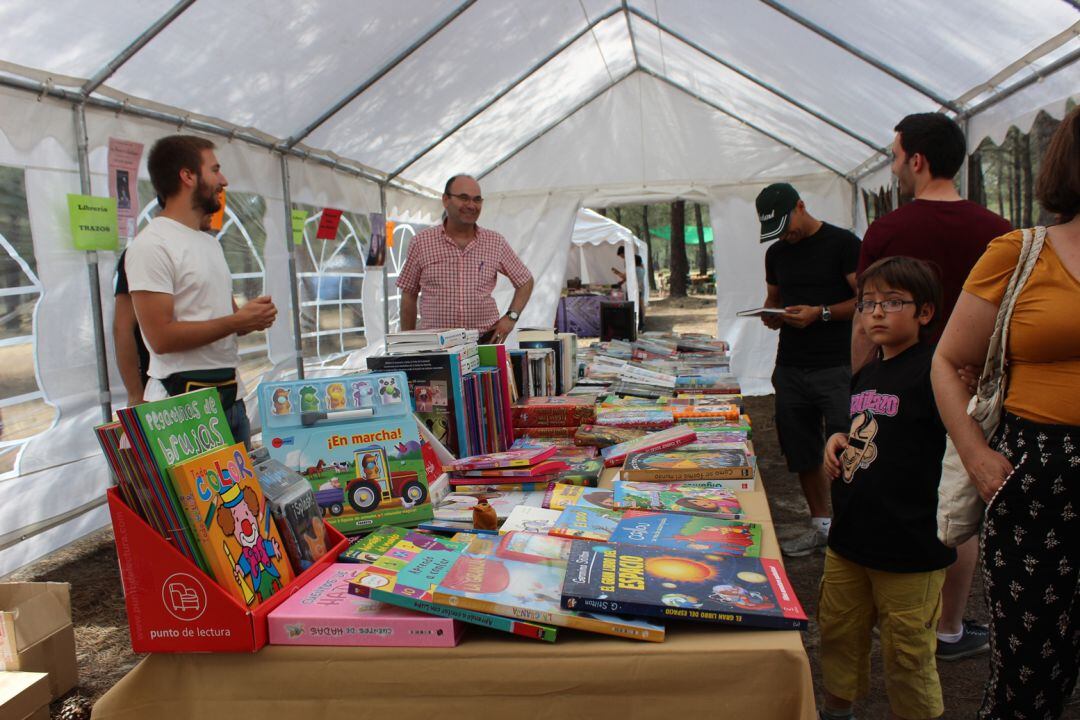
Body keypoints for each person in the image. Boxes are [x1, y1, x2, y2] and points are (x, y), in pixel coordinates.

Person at [932, 107, 1080, 720]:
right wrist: (976, 454)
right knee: (1031, 675)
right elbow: (946, 362)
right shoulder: (1020, 253)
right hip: (1042, 475)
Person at [855, 112, 1012, 661]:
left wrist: (858, 383)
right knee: (958, 501)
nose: (894, 167)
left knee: (894, 484)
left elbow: (864, 315)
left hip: (898, 385)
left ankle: (899, 611)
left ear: (916, 160)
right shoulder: (998, 229)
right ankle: (947, 628)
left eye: (895, 156)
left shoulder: (889, 231)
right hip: (975, 388)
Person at [819, 256, 953, 720]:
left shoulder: (936, 372)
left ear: (925, 313)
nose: (875, 312)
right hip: (849, 541)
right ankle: (836, 710)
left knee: (909, 655)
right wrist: (835, 439)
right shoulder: (868, 371)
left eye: (892, 302)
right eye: (868, 302)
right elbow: (858, 426)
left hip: (911, 550)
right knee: (837, 634)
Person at [126, 135, 277, 445]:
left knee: (242, 495)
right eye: (215, 169)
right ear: (188, 175)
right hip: (183, 409)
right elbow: (161, 337)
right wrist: (237, 322)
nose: (223, 180)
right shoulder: (151, 245)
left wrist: (249, 318)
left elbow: (224, 320)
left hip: (230, 399)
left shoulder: (209, 242)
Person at [757, 182, 861, 557]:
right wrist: (772, 316)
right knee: (801, 449)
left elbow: (865, 300)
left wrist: (822, 313)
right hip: (791, 365)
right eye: (777, 232)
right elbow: (774, 300)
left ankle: (852, 528)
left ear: (801, 205)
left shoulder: (843, 244)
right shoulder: (776, 254)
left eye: (787, 226)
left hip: (837, 364)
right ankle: (821, 525)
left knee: (847, 448)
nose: (785, 236)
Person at [397, 174, 533, 344]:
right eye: (463, 198)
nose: (471, 205)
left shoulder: (494, 242)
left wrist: (511, 318)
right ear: (446, 200)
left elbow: (525, 281)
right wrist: (408, 344)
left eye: (477, 200)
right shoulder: (422, 242)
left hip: (484, 341)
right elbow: (409, 293)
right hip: (436, 345)